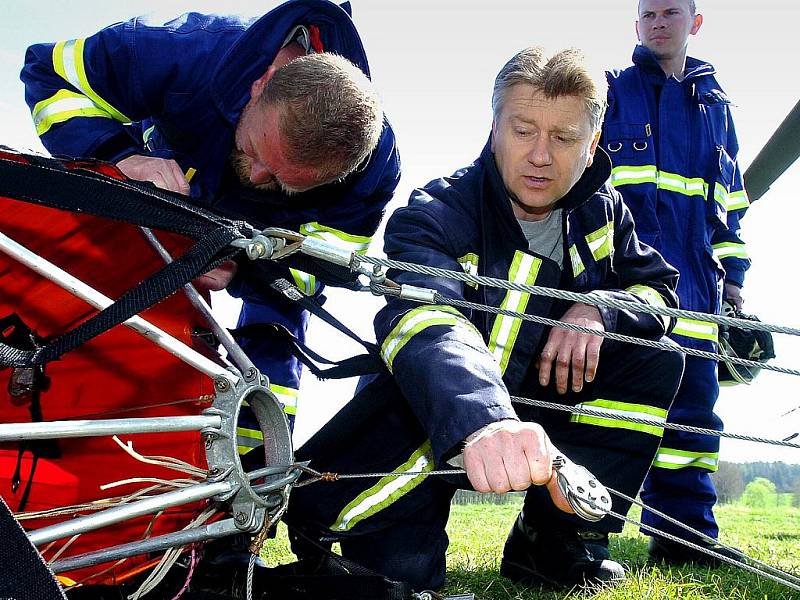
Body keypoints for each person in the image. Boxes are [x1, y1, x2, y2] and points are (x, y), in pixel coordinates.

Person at [286, 46, 684, 591]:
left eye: (564, 138)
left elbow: (660, 290)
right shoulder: (434, 214)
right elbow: (428, 321)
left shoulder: (606, 213)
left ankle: (554, 540)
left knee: (654, 358)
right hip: (434, 420)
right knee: (400, 581)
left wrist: (599, 310)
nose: (540, 155)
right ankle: (345, 530)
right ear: (495, 127)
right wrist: (486, 421)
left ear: (592, 146)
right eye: (523, 130)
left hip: (546, 399)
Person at [20, 0, 400, 448]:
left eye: (284, 182)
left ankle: (255, 479)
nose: (258, 179)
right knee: (107, 313)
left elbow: (318, 265)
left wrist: (248, 267)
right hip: (158, 198)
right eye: (259, 152)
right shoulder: (181, 50)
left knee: (273, 343)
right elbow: (48, 73)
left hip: (263, 241)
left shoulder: (373, 173)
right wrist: (118, 158)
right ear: (261, 84)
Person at [602, 0, 750, 564]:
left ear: (696, 22)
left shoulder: (715, 106)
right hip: (628, 282)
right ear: (636, 25)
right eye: (648, 14)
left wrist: (733, 278)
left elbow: (730, 202)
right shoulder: (611, 91)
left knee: (695, 413)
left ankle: (685, 538)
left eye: (670, 12)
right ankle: (582, 535)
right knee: (616, 408)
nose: (658, 22)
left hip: (699, 284)